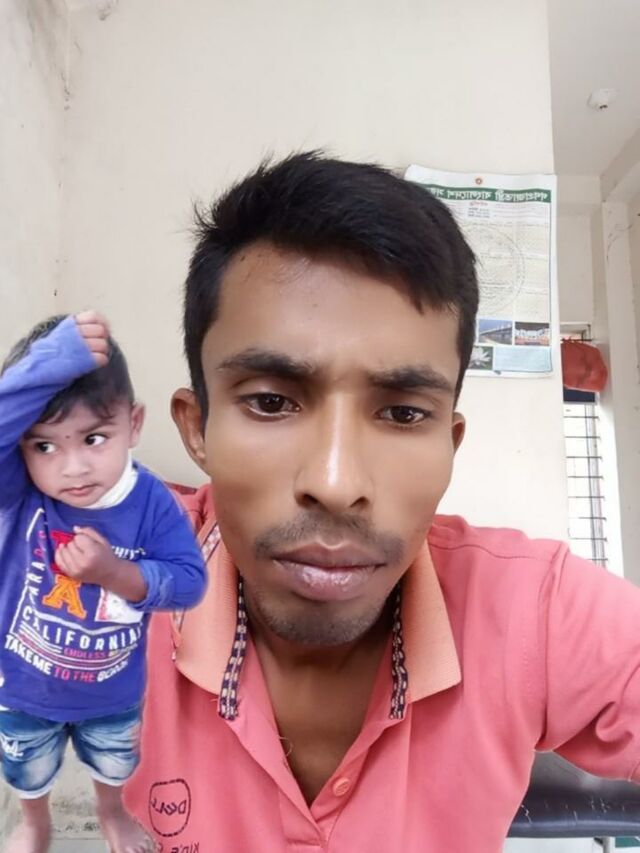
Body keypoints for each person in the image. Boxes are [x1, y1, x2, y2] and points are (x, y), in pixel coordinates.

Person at [124, 152, 640, 852]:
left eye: (401, 413)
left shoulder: (530, 611)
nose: (337, 483)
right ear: (197, 429)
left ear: (450, 443)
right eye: (271, 401)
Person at [0, 313, 207, 853]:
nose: (73, 468)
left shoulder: (152, 502)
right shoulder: (20, 491)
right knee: (27, 771)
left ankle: (111, 814)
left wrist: (116, 574)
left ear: (133, 425)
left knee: (114, 766)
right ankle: (36, 823)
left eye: (94, 438)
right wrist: (48, 366)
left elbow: (190, 583)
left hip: (112, 690)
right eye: (44, 446)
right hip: (23, 687)